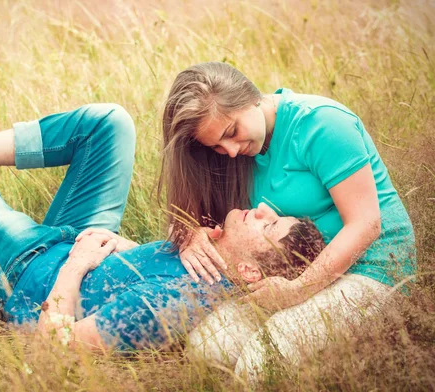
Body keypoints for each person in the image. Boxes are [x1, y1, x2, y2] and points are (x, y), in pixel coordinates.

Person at [0, 99, 325, 350]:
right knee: (110, 123)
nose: (264, 208)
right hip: (76, 242)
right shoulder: (211, 255)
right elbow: (140, 274)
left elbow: (59, 349)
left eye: (269, 227)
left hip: (26, 271)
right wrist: (123, 244)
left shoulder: (174, 305)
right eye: (274, 214)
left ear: (249, 272)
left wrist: (76, 265)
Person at [158, 62, 416, 376]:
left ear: (250, 97)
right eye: (216, 145)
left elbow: (366, 223)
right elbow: (195, 216)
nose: (230, 150)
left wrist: (298, 290)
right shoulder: (232, 152)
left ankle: (359, 355)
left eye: (232, 132)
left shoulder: (321, 123)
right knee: (208, 346)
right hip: (290, 275)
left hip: (372, 268)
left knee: (263, 360)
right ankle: (336, 356)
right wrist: (190, 232)